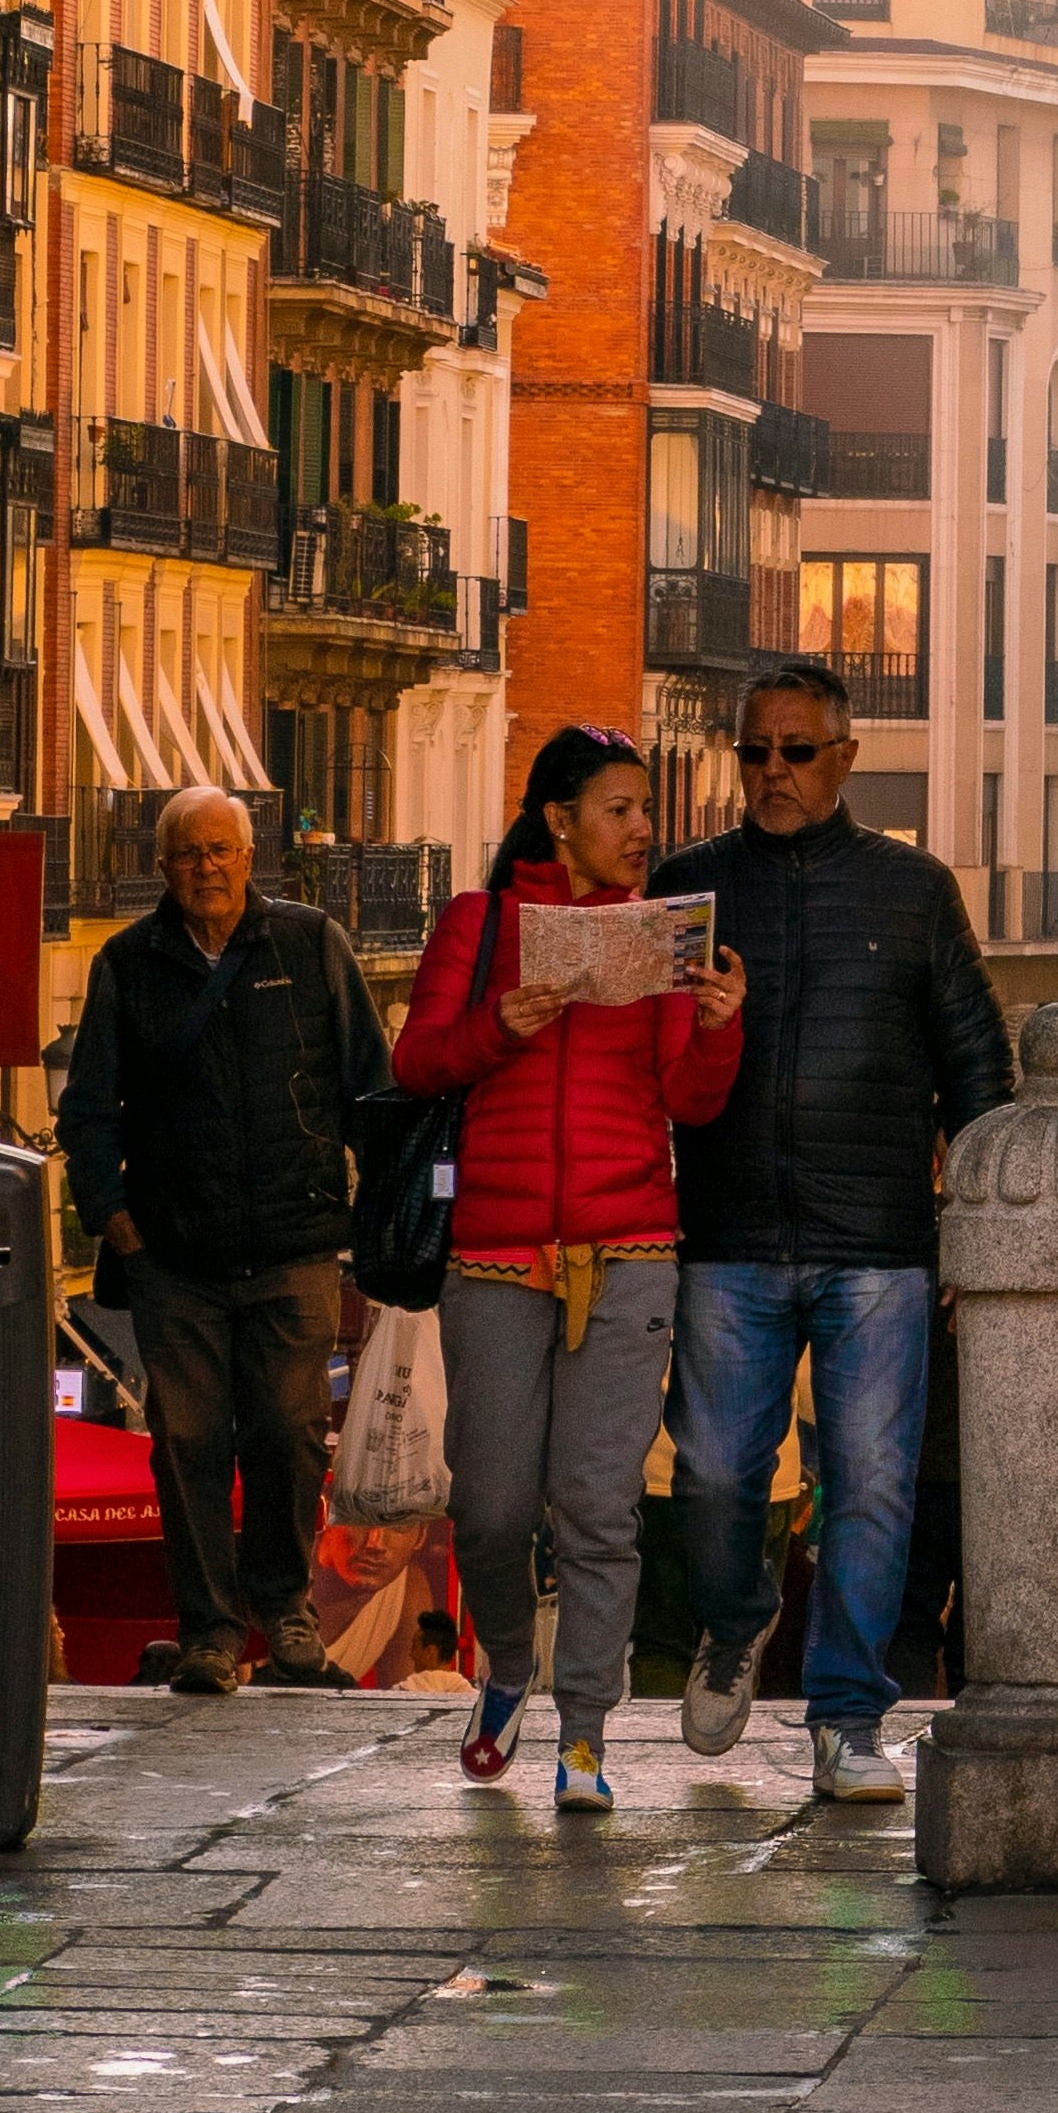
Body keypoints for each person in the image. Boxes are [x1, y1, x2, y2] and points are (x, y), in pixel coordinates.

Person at [669, 652, 1014, 1807]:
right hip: (726, 1235)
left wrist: (975, 1229)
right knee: (716, 1476)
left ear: (845, 759)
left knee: (873, 1484)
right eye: (754, 749)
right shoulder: (687, 887)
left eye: (795, 750)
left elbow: (977, 1068)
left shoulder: (915, 891)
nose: (771, 770)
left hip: (880, 1243)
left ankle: (847, 1715)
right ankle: (734, 1623)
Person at [391, 724, 741, 1818]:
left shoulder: (660, 937)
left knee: (599, 1506)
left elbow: (690, 1097)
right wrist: (501, 1023)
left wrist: (720, 1027)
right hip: (495, 1255)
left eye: (646, 810)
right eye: (621, 809)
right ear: (559, 817)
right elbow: (416, 1062)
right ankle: (506, 1664)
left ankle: (583, 1733)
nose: (644, 830)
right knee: (492, 1507)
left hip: (630, 1246)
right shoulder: (478, 924)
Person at [54, 782, 395, 1697]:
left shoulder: (311, 943)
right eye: (187, 854)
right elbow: (87, 1109)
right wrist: (114, 1219)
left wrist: (383, 1214)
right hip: (173, 1258)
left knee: (289, 1434)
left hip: (296, 1246)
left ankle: (284, 1613)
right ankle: (207, 1631)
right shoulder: (129, 964)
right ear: (162, 868)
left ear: (252, 858)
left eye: (221, 851)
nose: (205, 867)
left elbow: (372, 1086)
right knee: (188, 1445)